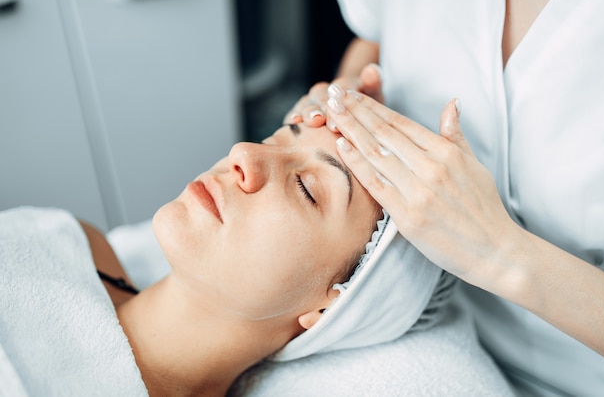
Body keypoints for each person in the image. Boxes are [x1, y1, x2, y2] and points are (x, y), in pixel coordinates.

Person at [286, 0, 604, 396]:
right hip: (437, 337)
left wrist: (500, 253)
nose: (238, 155)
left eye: (307, 188)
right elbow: (371, 36)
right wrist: (349, 88)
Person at [0, 123, 450, 397]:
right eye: (274, 138)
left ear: (332, 306)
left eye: (307, 189)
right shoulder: (72, 239)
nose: (244, 154)